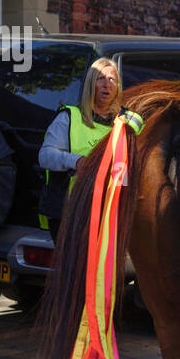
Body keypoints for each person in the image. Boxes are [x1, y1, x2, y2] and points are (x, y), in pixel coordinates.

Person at [38, 58, 122, 241]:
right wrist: (76, 161)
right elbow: (45, 156)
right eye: (100, 79)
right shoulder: (69, 117)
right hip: (70, 213)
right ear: (91, 84)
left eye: (112, 79)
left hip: (108, 213)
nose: (107, 84)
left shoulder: (123, 124)